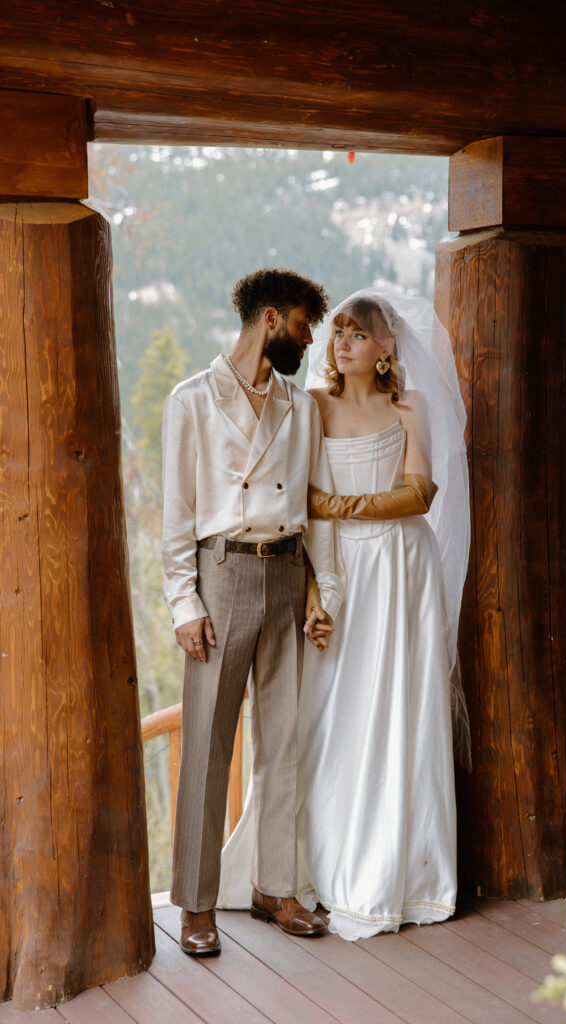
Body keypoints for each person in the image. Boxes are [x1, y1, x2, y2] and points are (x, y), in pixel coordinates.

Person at [219, 288, 470, 941]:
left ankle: (399, 871)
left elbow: (419, 493)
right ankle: (308, 869)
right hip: (341, 573)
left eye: (358, 335)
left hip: (402, 570)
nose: (341, 345)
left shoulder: (410, 406)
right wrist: (317, 584)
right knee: (330, 713)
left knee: (401, 710)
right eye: (337, 334)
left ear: (386, 347)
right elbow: (297, 496)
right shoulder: (314, 407)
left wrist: (340, 507)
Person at [162, 268, 344, 956]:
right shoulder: (191, 400)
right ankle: (197, 905)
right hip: (221, 574)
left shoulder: (301, 410)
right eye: (302, 327)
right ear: (270, 320)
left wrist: (325, 589)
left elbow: (317, 506)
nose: (307, 341)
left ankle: (275, 887)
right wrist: (184, 602)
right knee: (208, 745)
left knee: (282, 743)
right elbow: (176, 518)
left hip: (285, 574)